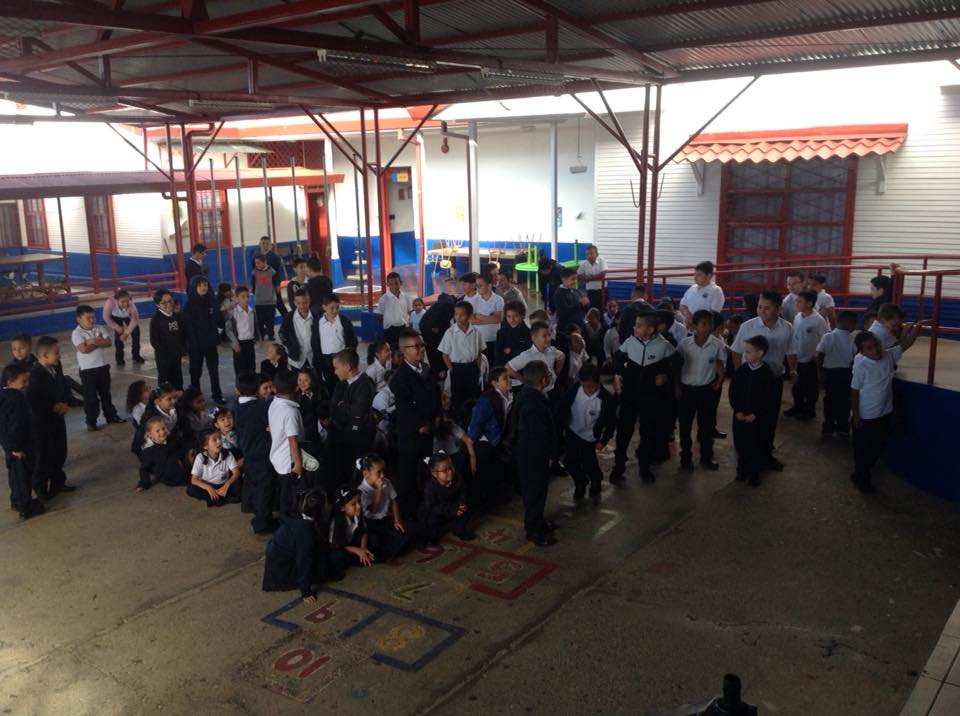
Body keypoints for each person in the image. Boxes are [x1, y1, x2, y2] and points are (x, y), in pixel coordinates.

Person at [850, 321, 925, 493]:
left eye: (876, 344)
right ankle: (862, 478)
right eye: (869, 348)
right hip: (865, 416)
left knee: (877, 447)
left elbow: (907, 343)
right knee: (863, 450)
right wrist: (856, 415)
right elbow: (854, 391)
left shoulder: (889, 355)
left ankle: (860, 474)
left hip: (884, 413)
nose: (875, 350)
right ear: (861, 351)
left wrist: (917, 327)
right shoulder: (861, 365)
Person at [729, 290, 798, 472]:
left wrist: (793, 369)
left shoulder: (787, 328)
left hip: (773, 380)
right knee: (745, 416)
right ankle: (744, 457)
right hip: (750, 380)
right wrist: (739, 375)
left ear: (778, 309)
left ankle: (766, 454)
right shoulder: (748, 326)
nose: (762, 311)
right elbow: (736, 351)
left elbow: (791, 351)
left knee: (768, 417)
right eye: (760, 307)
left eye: (767, 308)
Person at [611, 313, 675, 483]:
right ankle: (618, 466)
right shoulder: (630, 342)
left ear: (651, 329)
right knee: (623, 431)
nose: (634, 328)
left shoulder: (663, 345)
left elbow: (677, 363)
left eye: (639, 325)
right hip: (630, 394)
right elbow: (617, 359)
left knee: (648, 432)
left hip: (651, 396)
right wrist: (619, 374)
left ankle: (645, 468)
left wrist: (666, 376)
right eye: (635, 324)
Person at [391, 330, 443, 519]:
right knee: (409, 474)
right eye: (416, 346)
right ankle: (407, 514)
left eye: (422, 345)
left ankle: (427, 507)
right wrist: (422, 423)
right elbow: (404, 406)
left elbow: (436, 394)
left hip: (430, 429)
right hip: (411, 434)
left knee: (426, 470)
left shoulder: (427, 369)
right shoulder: (399, 377)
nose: (421, 349)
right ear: (404, 350)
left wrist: (438, 415)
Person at [515, 361, 558, 546]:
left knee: (538, 491)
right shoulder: (533, 404)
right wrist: (548, 455)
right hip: (533, 456)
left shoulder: (529, 394)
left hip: (530, 453)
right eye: (547, 373)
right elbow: (539, 436)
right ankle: (534, 531)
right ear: (542, 380)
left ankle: (538, 522)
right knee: (535, 493)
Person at [676, 310, 726, 471]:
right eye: (704, 324)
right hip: (687, 390)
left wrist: (720, 379)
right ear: (695, 325)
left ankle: (706, 457)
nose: (708, 327)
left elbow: (720, 363)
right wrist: (677, 387)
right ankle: (685, 457)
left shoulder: (717, 344)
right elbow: (676, 367)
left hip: (706, 390)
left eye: (710, 323)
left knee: (706, 425)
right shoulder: (684, 344)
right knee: (685, 425)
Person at [26, 336, 74, 500]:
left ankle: (57, 483)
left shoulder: (56, 366)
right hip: (43, 423)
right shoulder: (34, 375)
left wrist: (65, 402)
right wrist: (52, 406)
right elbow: (33, 400)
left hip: (58, 418)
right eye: (56, 353)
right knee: (44, 456)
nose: (59, 355)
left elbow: (63, 386)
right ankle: (40, 489)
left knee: (59, 452)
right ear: (44, 355)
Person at [561, 363, 616, 502]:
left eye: (590, 387)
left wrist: (603, 440)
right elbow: (563, 406)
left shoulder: (606, 399)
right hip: (572, 431)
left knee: (589, 463)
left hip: (589, 437)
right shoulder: (575, 389)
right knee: (570, 462)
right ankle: (580, 482)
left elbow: (611, 423)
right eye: (584, 386)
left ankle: (596, 481)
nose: (587, 390)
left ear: (598, 382)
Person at [262, 489, 328, 603]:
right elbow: (304, 562)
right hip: (281, 567)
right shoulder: (305, 533)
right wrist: (306, 591)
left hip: (275, 553)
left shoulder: (298, 515)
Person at [729, 335, 778, 487]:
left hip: (757, 419)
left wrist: (756, 414)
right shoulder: (741, 371)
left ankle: (754, 473)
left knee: (756, 445)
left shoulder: (767, 374)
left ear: (760, 353)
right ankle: (742, 470)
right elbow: (733, 392)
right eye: (745, 351)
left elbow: (770, 399)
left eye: (748, 352)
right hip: (740, 417)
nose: (745, 355)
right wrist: (737, 410)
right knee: (741, 443)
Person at [234, 370, 277, 534]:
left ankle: (253, 509)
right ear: (257, 389)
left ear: (238, 390)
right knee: (264, 487)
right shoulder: (260, 406)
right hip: (262, 453)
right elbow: (271, 425)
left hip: (248, 451)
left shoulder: (237, 404)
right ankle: (262, 522)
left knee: (254, 483)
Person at [0, 364, 44, 521]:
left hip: (9, 444)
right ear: (10, 382)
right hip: (20, 446)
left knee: (15, 476)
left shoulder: (3, 395)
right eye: (23, 382)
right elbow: (17, 425)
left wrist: (9, 446)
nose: (26, 385)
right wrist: (16, 447)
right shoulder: (16, 399)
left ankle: (16, 501)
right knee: (23, 477)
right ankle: (25, 508)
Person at [328, 349, 376, 492]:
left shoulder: (365, 384)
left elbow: (358, 412)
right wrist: (346, 408)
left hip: (358, 439)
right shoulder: (341, 384)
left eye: (337, 368)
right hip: (341, 436)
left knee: (356, 473)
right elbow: (333, 408)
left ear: (348, 367)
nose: (335, 372)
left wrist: (343, 405)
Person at [468, 367, 516, 508]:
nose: (509, 380)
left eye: (509, 377)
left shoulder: (510, 396)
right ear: (495, 383)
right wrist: (472, 442)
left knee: (496, 470)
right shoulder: (487, 399)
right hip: (485, 440)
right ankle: (481, 503)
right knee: (484, 472)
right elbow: (476, 422)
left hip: (498, 439)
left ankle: (494, 498)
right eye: (505, 378)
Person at [72, 305, 124, 431]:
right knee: (91, 398)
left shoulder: (100, 327)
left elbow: (109, 342)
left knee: (106, 394)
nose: (92, 320)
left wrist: (91, 341)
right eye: (88, 318)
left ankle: (111, 416)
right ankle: (91, 421)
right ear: (79, 319)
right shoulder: (77, 333)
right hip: (87, 370)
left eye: (93, 317)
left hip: (103, 367)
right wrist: (98, 341)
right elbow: (83, 349)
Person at [181, 276, 225, 406]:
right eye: (200, 285)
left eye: (205, 284)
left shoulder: (212, 301)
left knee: (214, 370)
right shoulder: (189, 306)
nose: (203, 287)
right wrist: (192, 345)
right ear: (194, 287)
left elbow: (218, 320)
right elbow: (188, 328)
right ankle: (196, 397)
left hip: (210, 343)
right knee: (195, 372)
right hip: (196, 345)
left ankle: (217, 395)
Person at [785, 290, 829, 421]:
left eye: (800, 301)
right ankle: (797, 407)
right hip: (797, 357)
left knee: (810, 387)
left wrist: (818, 357)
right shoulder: (798, 317)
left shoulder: (818, 320)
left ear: (809, 303)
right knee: (797, 386)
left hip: (810, 360)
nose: (796, 304)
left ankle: (809, 410)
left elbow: (824, 339)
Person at [268, 369, 304, 518]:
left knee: (284, 492)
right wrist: (298, 464)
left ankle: (285, 519)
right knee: (289, 498)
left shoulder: (274, 403)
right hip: (288, 462)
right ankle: (287, 522)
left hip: (277, 457)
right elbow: (292, 440)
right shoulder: (290, 411)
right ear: (296, 388)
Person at [357, 454, 407, 560]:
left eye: (383, 471)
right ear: (366, 474)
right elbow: (373, 510)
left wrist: (397, 520)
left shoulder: (387, 482)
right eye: (378, 472)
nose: (382, 475)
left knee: (401, 533)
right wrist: (378, 490)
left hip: (385, 518)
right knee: (375, 542)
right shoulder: (362, 490)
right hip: (370, 523)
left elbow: (394, 501)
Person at [817, 310, 858, 438]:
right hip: (846, 374)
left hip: (830, 374)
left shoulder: (828, 336)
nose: (855, 326)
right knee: (844, 401)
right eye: (854, 323)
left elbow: (820, 354)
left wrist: (820, 372)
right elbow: (855, 358)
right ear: (849, 323)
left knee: (830, 400)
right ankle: (843, 427)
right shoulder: (853, 340)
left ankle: (828, 427)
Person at [418, 452, 474, 544]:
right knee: (430, 516)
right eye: (445, 470)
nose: (450, 471)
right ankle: (432, 536)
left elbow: (463, 492)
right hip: (438, 510)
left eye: (451, 467)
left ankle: (458, 530)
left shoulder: (457, 477)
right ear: (435, 474)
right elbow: (431, 506)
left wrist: (461, 503)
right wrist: (451, 509)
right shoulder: (430, 486)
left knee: (469, 504)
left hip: (454, 506)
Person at [440, 301, 484, 413]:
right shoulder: (450, 332)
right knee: (457, 396)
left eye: (462, 315)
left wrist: (477, 367)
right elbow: (445, 355)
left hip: (472, 367)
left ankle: (471, 417)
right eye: (456, 314)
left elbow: (479, 352)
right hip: (457, 368)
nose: (458, 317)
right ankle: (458, 417)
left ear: (469, 316)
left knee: (472, 394)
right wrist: (452, 369)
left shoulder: (476, 332)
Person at [327, 487, 374, 580]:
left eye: (359, 502)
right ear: (342, 508)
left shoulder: (358, 513)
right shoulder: (336, 522)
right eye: (353, 504)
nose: (359, 506)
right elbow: (336, 544)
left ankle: (360, 557)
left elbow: (364, 531)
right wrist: (357, 550)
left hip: (352, 543)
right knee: (336, 557)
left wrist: (363, 548)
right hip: (340, 547)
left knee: (374, 541)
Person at [506, 321, 565, 394]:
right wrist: (525, 381)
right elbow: (508, 368)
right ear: (534, 338)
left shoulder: (552, 350)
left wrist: (557, 371)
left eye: (549, 335)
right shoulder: (527, 355)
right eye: (544, 336)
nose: (549, 338)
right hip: (538, 393)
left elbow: (561, 356)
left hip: (553, 389)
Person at [315, 293, 357, 391]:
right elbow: (315, 343)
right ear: (324, 307)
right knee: (330, 384)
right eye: (332, 308)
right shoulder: (318, 323)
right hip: (326, 360)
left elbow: (352, 340)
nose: (335, 311)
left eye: (337, 307)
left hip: (342, 359)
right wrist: (318, 361)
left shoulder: (344, 321)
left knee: (344, 384)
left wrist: (349, 357)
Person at [188, 428, 241, 506]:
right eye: (214, 440)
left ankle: (217, 499)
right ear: (205, 446)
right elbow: (194, 480)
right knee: (191, 489)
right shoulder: (200, 457)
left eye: (219, 438)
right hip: (208, 486)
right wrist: (208, 487)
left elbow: (236, 472)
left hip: (224, 484)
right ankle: (222, 499)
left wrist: (227, 484)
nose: (219, 441)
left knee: (239, 482)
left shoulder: (227, 454)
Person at [137, 416, 188, 492]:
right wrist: (144, 483)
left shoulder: (173, 438)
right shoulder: (149, 451)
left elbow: (183, 446)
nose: (162, 432)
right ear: (149, 434)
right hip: (168, 475)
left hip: (180, 463)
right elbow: (143, 468)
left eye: (163, 428)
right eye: (157, 431)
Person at [150, 290, 186, 389]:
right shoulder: (156, 320)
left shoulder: (177, 316)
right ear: (158, 304)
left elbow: (182, 334)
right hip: (164, 358)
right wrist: (166, 352)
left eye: (170, 301)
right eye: (164, 303)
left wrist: (182, 349)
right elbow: (155, 341)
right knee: (165, 382)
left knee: (178, 379)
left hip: (177, 355)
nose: (169, 304)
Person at [419, 289, 457, 378]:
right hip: (430, 328)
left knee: (432, 349)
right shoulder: (450, 304)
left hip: (425, 326)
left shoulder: (442, 301)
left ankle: (436, 372)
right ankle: (440, 372)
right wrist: (437, 327)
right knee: (439, 348)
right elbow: (446, 321)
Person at [468, 272, 504, 360]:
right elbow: (470, 320)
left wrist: (479, 316)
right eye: (476, 286)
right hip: (477, 340)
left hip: (493, 339)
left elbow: (498, 319)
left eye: (480, 286)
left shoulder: (498, 300)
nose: (477, 288)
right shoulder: (474, 300)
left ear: (489, 285)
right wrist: (490, 319)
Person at [102, 289, 143, 367]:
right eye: (123, 302)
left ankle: (136, 356)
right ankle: (119, 359)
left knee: (136, 334)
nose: (126, 304)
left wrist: (126, 333)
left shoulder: (131, 305)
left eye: (127, 301)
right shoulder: (109, 303)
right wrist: (116, 327)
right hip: (115, 317)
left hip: (127, 316)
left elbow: (134, 320)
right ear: (116, 300)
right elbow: (106, 317)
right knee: (118, 337)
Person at [279, 289, 317, 371]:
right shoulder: (288, 317)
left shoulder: (316, 316)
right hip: (296, 359)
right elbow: (281, 333)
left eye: (304, 303)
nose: (302, 306)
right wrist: (290, 346)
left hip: (314, 357)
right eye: (299, 303)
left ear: (309, 301)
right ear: (294, 303)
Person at [679, 261, 725, 329]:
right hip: (688, 329)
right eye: (695, 274)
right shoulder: (692, 288)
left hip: (704, 330)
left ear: (709, 275)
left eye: (699, 274)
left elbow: (714, 314)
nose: (695, 277)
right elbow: (683, 305)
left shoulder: (716, 291)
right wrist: (689, 317)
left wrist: (696, 323)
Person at [225, 285, 259, 376]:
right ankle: (241, 384)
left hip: (250, 343)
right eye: (243, 297)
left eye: (247, 296)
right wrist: (235, 343)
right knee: (240, 368)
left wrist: (259, 338)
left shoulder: (252, 311)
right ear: (237, 298)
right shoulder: (233, 313)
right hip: (239, 344)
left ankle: (252, 383)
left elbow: (256, 326)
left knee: (251, 366)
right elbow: (228, 330)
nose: (246, 299)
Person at [250, 236, 287, 317]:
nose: (265, 245)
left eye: (267, 243)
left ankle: (288, 319)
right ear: (259, 244)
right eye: (263, 243)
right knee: (263, 307)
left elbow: (277, 272)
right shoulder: (255, 257)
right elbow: (254, 272)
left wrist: (277, 284)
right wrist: (253, 287)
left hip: (272, 284)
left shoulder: (275, 257)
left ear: (270, 245)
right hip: (260, 286)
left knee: (279, 304)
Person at [375, 271, 413, 348]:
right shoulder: (383, 299)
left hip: (404, 328)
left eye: (396, 283)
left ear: (401, 283)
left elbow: (410, 312)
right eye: (391, 284)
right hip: (390, 330)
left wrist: (407, 324)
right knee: (392, 350)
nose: (394, 286)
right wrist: (389, 323)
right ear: (387, 284)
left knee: (404, 349)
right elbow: (379, 316)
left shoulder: (407, 297)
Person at [554, 267, 590, 336]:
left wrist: (586, 304)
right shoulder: (559, 293)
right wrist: (580, 304)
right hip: (567, 330)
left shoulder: (576, 291)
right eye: (573, 279)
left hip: (579, 327)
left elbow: (583, 310)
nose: (575, 281)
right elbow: (564, 312)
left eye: (576, 279)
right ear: (563, 279)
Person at [495, 301, 531, 367]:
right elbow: (498, 354)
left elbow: (527, 353)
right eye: (509, 316)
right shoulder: (501, 332)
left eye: (516, 316)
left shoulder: (528, 332)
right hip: (505, 367)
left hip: (522, 367)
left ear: (522, 316)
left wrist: (511, 351)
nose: (512, 319)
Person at [251, 253, 279, 341]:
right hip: (259, 301)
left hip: (271, 300)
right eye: (256, 263)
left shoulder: (271, 271)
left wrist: (277, 287)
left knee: (270, 319)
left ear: (265, 262)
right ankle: (261, 335)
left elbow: (276, 281)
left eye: (259, 263)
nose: (257, 265)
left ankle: (271, 334)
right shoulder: (255, 272)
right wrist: (254, 292)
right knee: (260, 320)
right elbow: (253, 283)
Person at [577, 244, 608, 309]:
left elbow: (603, 275)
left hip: (602, 290)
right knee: (591, 309)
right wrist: (585, 277)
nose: (589, 256)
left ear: (597, 254)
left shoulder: (601, 260)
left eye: (591, 253)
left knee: (602, 309)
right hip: (590, 291)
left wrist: (589, 278)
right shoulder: (584, 264)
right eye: (587, 254)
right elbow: (577, 276)